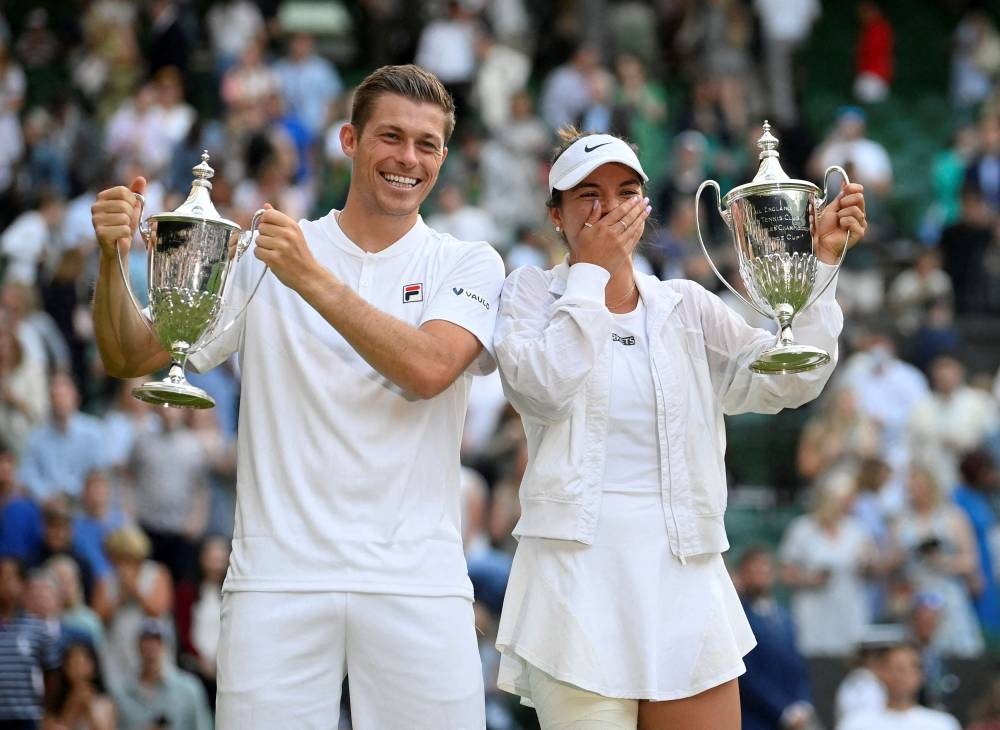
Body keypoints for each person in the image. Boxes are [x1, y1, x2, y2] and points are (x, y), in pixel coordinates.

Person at [90, 64, 505, 729]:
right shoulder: (266, 253)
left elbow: (429, 369)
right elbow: (130, 355)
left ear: (444, 158)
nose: (408, 158)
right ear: (349, 140)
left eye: (427, 145)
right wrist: (111, 258)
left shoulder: (468, 261)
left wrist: (311, 278)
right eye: (390, 137)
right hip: (276, 579)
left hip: (417, 583)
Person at [492, 128, 867, 729]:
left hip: (685, 576)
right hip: (575, 586)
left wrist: (817, 266)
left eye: (625, 191)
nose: (609, 208)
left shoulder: (687, 305)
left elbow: (788, 381)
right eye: (587, 195)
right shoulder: (530, 292)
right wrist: (589, 274)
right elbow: (542, 386)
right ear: (554, 215)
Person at [735, 546, 817, 730]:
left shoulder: (785, 617)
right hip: (754, 719)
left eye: (765, 569)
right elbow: (747, 676)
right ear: (742, 575)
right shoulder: (737, 618)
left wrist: (803, 703)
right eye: (753, 571)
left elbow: (798, 665)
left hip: (794, 717)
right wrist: (783, 711)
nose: (760, 575)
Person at [836, 642, 961, 730]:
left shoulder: (942, 724)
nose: (901, 677)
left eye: (909, 669)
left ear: (921, 675)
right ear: (880, 672)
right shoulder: (855, 724)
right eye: (896, 668)